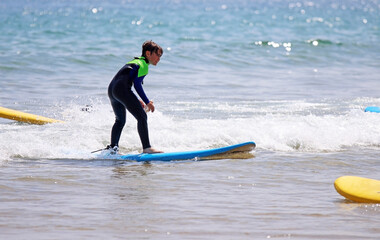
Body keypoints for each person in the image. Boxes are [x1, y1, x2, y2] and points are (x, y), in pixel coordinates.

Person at [106, 40, 163, 154]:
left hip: (112, 90)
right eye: (157, 55)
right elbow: (136, 85)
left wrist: (136, 100)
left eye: (160, 56)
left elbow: (124, 82)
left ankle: (113, 149)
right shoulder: (143, 65)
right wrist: (147, 102)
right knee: (142, 117)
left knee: (120, 120)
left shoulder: (135, 61)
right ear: (148, 54)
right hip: (121, 90)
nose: (159, 59)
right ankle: (147, 147)